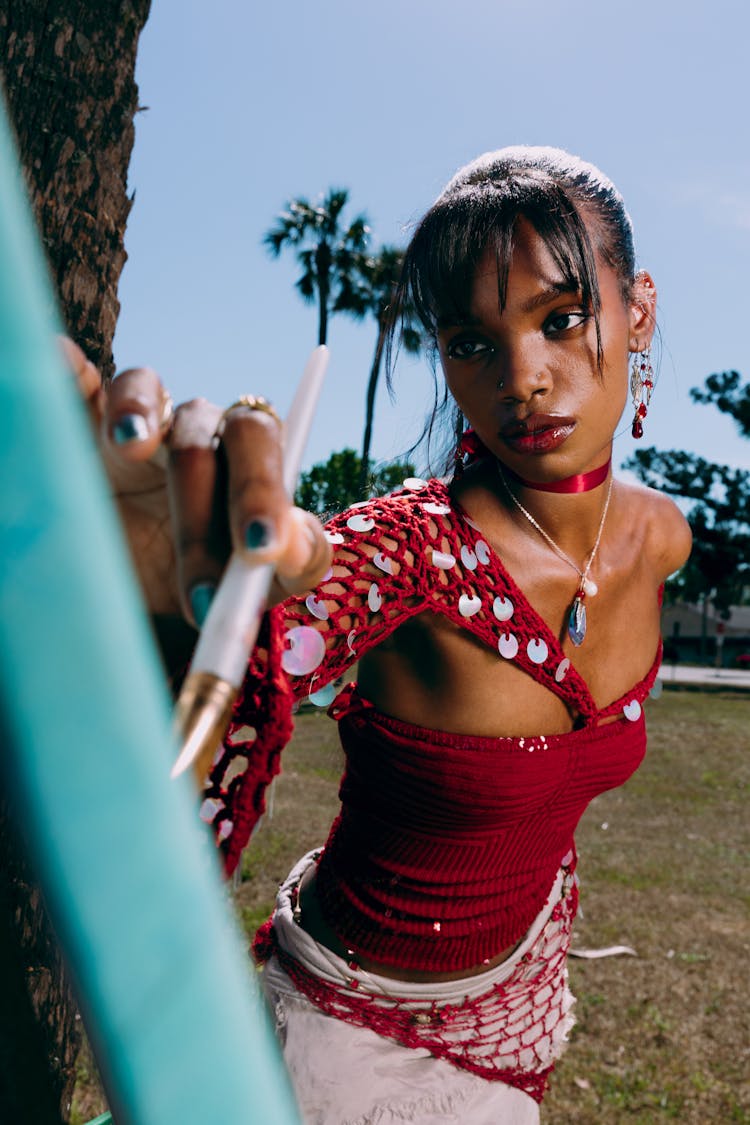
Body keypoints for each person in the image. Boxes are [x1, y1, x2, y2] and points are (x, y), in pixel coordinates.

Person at [78, 146, 691, 1124]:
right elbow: (298, 591)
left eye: (562, 318)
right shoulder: (416, 549)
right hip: (337, 1042)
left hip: (516, 1021)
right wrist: (182, 588)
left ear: (640, 308)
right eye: (472, 340)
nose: (524, 378)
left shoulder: (660, 538)